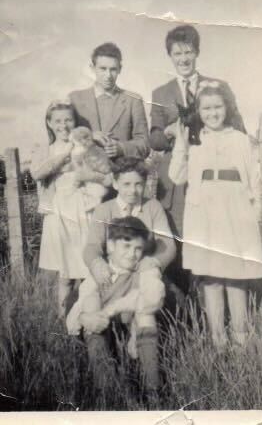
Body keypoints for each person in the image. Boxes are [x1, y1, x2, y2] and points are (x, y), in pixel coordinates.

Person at [169, 82, 262, 347]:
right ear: (198, 111)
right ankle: (218, 340)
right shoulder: (193, 141)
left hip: (235, 211)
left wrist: (254, 213)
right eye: (206, 108)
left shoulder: (240, 139)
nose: (212, 113)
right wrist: (180, 142)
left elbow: (253, 181)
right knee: (211, 278)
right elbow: (176, 176)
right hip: (203, 215)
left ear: (227, 108)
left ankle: (241, 338)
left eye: (217, 107)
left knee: (236, 277)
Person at [150, 24, 245, 293]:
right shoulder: (160, 94)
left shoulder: (218, 87)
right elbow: (153, 139)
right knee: (180, 246)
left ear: (197, 52)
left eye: (188, 52)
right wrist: (170, 132)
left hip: (213, 178)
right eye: (177, 53)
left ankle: (215, 311)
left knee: (215, 244)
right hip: (176, 183)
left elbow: (238, 126)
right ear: (170, 56)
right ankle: (187, 318)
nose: (183, 59)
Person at [78, 156, 176, 391]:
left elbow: (168, 245)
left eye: (138, 184)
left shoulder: (152, 207)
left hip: (143, 270)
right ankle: (107, 384)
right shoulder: (105, 208)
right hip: (113, 272)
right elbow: (91, 247)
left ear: (145, 184)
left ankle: (152, 384)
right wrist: (97, 264)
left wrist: (153, 262)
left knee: (164, 301)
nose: (133, 190)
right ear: (115, 183)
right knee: (88, 304)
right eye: (126, 184)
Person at [30, 101, 111, 319]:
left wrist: (85, 174)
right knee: (65, 274)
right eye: (57, 121)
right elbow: (37, 173)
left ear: (74, 122)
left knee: (87, 267)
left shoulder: (87, 146)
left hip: (84, 209)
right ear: (49, 123)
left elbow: (106, 177)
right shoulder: (45, 148)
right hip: (58, 213)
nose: (63, 125)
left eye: (68, 120)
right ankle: (64, 320)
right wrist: (65, 153)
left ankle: (88, 318)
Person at [68, 216, 165, 394]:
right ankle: (107, 387)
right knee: (90, 302)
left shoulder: (144, 269)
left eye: (138, 249)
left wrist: (113, 310)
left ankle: (153, 389)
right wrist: (85, 318)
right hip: (103, 331)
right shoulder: (101, 273)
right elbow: (76, 309)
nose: (132, 254)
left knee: (146, 312)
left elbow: (154, 297)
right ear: (111, 246)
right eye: (126, 246)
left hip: (134, 331)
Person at [69, 42, 150, 161]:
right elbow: (63, 139)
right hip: (86, 172)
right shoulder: (75, 99)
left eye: (113, 69)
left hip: (122, 173)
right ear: (92, 68)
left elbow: (144, 144)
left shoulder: (133, 100)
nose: (108, 75)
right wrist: (89, 137)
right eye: (102, 69)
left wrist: (121, 148)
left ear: (120, 69)